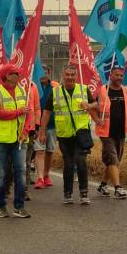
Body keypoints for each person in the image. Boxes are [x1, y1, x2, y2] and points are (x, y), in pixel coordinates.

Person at [39, 66, 97, 205]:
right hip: (64, 135)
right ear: (63, 75)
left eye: (72, 75)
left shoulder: (83, 89)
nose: (70, 77)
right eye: (67, 75)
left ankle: (84, 193)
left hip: (81, 133)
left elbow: (97, 104)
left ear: (76, 76)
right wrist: (42, 131)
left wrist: (89, 105)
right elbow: (47, 112)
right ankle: (68, 193)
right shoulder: (55, 92)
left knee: (81, 162)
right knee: (69, 164)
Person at [0, 65, 32, 218]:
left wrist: (26, 131)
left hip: (19, 139)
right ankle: (1, 206)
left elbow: (29, 114)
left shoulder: (22, 91)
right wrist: (18, 112)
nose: (18, 75)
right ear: (6, 76)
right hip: (0, 140)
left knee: (21, 171)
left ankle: (19, 207)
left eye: (18, 73)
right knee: (1, 174)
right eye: (14, 73)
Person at [94, 67, 127, 199]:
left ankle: (103, 184)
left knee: (114, 161)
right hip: (106, 132)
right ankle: (118, 188)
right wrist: (96, 119)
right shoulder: (102, 90)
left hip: (121, 132)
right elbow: (92, 106)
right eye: (117, 75)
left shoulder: (126, 91)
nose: (119, 78)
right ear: (110, 75)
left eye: (121, 76)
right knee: (113, 159)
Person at [33, 66, 59, 189]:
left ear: (49, 73)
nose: (43, 74)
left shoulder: (55, 87)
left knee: (49, 151)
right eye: (41, 72)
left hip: (52, 125)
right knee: (39, 151)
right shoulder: (34, 87)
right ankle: (40, 178)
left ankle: (46, 174)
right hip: (38, 124)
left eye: (46, 72)